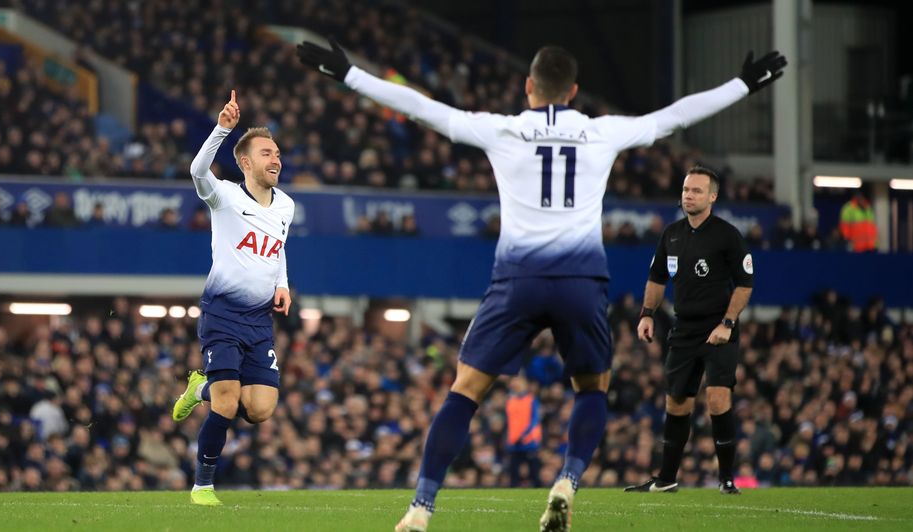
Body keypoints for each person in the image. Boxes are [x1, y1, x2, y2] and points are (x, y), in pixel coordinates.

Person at [297, 38, 785, 532]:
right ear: (573, 91)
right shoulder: (602, 133)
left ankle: (421, 508)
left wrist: (349, 74)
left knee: (465, 391)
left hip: (518, 278)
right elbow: (676, 116)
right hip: (581, 279)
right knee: (592, 388)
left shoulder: (503, 130)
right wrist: (742, 84)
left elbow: (426, 110)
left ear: (528, 86)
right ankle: (567, 482)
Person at [170, 90, 295, 506]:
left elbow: (278, 248)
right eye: (266, 153)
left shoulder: (286, 207)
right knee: (227, 403)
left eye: (277, 153)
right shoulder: (224, 196)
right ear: (245, 162)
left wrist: (283, 283)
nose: (275, 159)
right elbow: (196, 169)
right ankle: (202, 487)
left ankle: (198, 388)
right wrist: (223, 128)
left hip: (259, 320)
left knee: (259, 408)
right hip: (222, 313)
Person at [624, 166, 754, 495]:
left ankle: (726, 479)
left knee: (717, 398)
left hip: (718, 329)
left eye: (696, 191)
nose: (688, 196)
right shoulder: (671, 234)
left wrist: (727, 323)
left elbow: (745, 283)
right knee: (677, 402)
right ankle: (666, 478)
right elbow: (656, 279)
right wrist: (647, 314)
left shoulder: (726, 235)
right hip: (684, 330)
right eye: (685, 190)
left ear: (712, 197)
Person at [505, 375, 542, 487]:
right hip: (514, 442)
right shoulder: (510, 401)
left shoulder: (531, 400)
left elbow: (534, 421)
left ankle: (538, 491)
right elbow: (510, 423)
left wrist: (524, 436)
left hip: (528, 442)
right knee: (513, 472)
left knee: (534, 471)